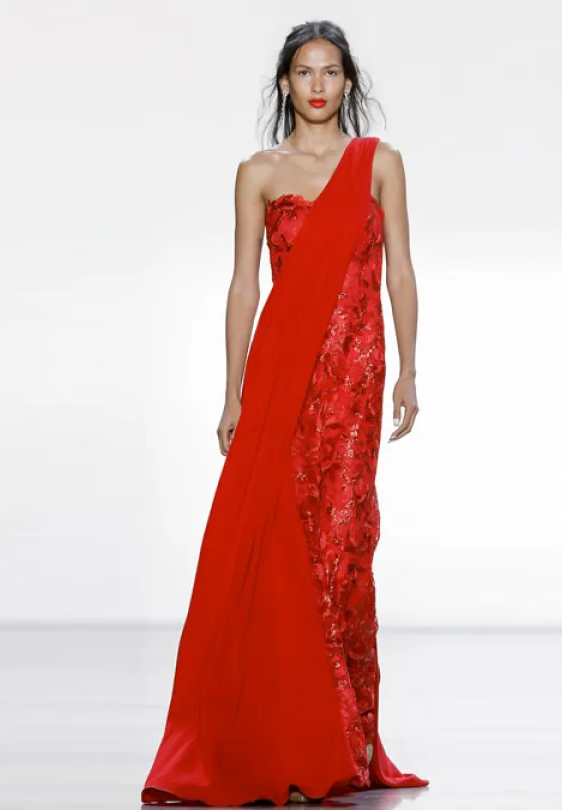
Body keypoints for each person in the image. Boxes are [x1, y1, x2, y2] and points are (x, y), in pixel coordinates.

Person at [141, 20, 426, 806]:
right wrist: (232, 389)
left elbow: (401, 269)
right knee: (282, 545)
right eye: (304, 72)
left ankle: (338, 739)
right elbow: (245, 285)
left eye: (331, 72)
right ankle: (288, 741)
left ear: (347, 81)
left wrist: (409, 369)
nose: (318, 85)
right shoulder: (258, 173)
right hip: (282, 381)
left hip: (356, 377)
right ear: (284, 84)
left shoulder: (380, 164)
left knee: (343, 545)